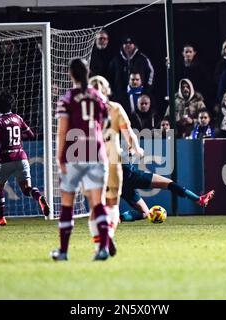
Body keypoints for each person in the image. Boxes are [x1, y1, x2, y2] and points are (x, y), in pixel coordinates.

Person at [52, 58, 110, 261]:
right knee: (98, 203)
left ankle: (64, 252)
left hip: (73, 155)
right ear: (88, 73)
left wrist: (59, 157)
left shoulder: (67, 99)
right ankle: (102, 248)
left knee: (67, 204)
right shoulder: (99, 97)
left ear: (71, 74)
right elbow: (103, 125)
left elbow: (62, 132)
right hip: (96, 153)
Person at [0, 89, 50, 226]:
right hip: (21, 157)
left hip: (5, 159)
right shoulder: (18, 118)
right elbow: (31, 135)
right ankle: (39, 198)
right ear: (11, 105)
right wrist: (18, 138)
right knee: (27, 189)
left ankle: (1, 218)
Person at [88, 75, 144, 256]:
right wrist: (136, 148)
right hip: (113, 160)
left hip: (93, 161)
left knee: (96, 207)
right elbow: (129, 134)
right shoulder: (116, 108)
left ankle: (100, 246)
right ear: (107, 90)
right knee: (112, 205)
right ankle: (108, 235)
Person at [119, 163, 215, 222]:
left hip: (120, 185)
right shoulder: (116, 141)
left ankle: (119, 218)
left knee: (145, 213)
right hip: (131, 175)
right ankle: (199, 199)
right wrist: (133, 149)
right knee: (169, 184)